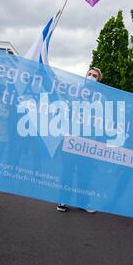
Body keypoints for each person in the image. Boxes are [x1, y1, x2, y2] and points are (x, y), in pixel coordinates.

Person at [56, 67, 103, 213]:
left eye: (94, 75)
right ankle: (62, 200)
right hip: (71, 138)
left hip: (88, 141)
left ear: (98, 80)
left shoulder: (101, 97)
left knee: (85, 173)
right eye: (89, 74)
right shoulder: (75, 92)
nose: (91, 76)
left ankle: (83, 202)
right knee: (67, 171)